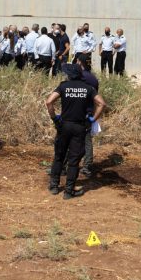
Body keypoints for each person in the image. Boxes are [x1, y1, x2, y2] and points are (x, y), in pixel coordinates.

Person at [45, 64, 106, 199]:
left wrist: (55, 118)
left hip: (64, 126)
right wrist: (92, 120)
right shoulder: (88, 88)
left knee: (59, 156)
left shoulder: (63, 86)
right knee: (74, 160)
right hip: (79, 127)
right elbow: (102, 103)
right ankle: (68, 191)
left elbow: (49, 102)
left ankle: (54, 186)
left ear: (69, 75)